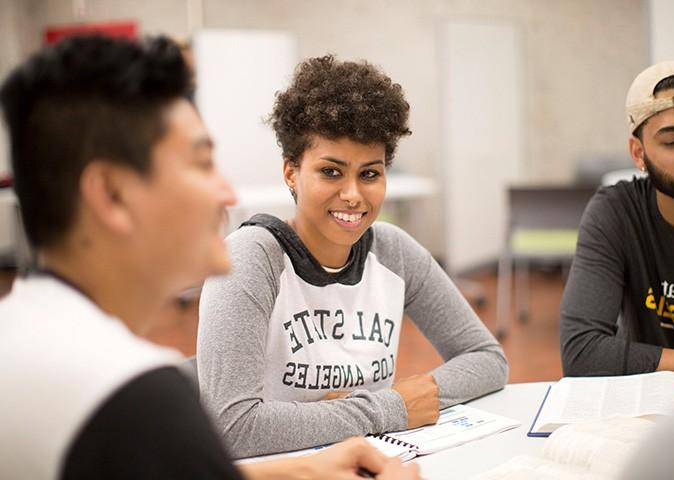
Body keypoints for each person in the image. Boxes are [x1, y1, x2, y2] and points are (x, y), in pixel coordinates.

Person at [0, 34, 419, 480]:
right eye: (200, 165)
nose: (226, 192)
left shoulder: (28, 338)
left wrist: (302, 470)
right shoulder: (133, 399)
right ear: (112, 195)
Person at [197, 54, 508, 458]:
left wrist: (357, 413)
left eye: (370, 173)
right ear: (291, 172)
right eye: (331, 171)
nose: (353, 195)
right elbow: (232, 427)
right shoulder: (251, 259)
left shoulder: (394, 250)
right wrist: (390, 408)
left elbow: (487, 359)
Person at [560, 60, 674, 393]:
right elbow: (583, 354)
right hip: (657, 418)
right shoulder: (616, 213)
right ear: (639, 153)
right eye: (671, 142)